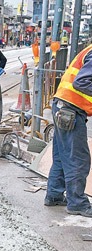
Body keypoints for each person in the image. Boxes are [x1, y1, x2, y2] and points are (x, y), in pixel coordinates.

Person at [45, 43, 92, 217]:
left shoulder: (89, 49)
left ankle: (54, 194)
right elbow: (82, 82)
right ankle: (77, 202)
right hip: (71, 110)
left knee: (61, 155)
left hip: (62, 106)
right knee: (78, 158)